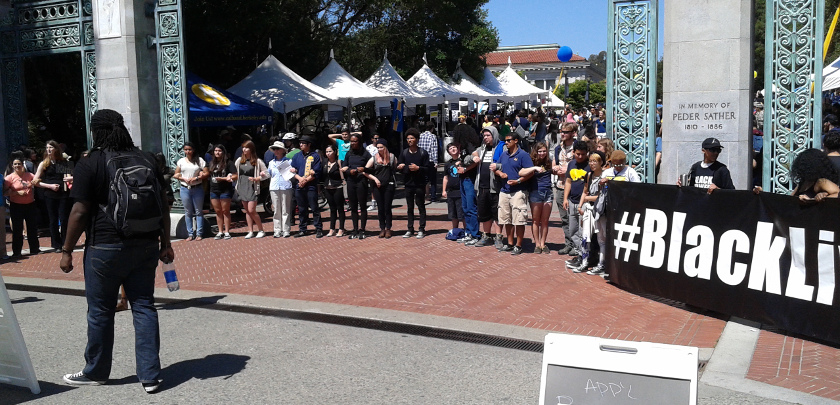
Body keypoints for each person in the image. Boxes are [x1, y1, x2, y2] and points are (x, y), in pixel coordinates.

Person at [59, 108, 173, 393]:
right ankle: (150, 376)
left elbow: (79, 211)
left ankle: (96, 371)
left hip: (105, 247)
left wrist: (66, 250)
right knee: (144, 306)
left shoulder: (92, 162)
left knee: (100, 310)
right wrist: (166, 243)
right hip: (146, 244)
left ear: (97, 131)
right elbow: (163, 204)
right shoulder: (147, 158)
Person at [494, 133, 533, 255]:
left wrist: (518, 181)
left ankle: (519, 245)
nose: (506, 143)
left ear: (516, 140)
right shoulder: (504, 155)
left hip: (518, 191)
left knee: (519, 219)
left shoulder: (523, 155)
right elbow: (497, 168)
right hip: (504, 191)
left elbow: (530, 172)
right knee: (506, 219)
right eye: (505, 140)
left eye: (509, 140)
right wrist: (500, 174)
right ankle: (510, 243)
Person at [32, 140, 73, 252]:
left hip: (63, 193)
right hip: (50, 194)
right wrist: (49, 186)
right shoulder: (44, 163)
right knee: (53, 219)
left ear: (56, 149)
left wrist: (70, 178)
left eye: (51, 147)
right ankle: (56, 244)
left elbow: (69, 177)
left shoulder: (62, 162)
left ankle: (66, 242)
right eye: (47, 148)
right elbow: (35, 181)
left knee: (64, 219)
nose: (49, 150)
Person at [469, 127, 504, 248]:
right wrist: (473, 158)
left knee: (497, 214)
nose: (485, 138)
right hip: (482, 187)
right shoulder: (480, 149)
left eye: (488, 135)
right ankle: (486, 236)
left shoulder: (501, 148)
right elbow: (467, 158)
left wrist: (498, 166)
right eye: (484, 136)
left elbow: (507, 163)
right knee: (484, 213)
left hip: (495, 187)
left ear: (494, 135)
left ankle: (498, 237)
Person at [519, 142, 553, 254]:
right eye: (540, 151)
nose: (542, 153)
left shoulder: (549, 161)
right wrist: (534, 168)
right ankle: (537, 244)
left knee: (545, 220)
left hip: (548, 192)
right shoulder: (531, 161)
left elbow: (556, 169)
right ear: (536, 152)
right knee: (535, 219)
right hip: (535, 191)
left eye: (544, 151)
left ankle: (543, 243)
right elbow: (521, 172)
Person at [577, 151, 608, 275]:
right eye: (590, 161)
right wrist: (580, 205)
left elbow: (602, 197)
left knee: (601, 238)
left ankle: (602, 264)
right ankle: (584, 262)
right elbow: (585, 191)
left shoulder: (605, 176)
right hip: (588, 209)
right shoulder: (589, 175)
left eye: (595, 161)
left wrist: (588, 199)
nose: (592, 163)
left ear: (601, 162)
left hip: (600, 210)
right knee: (585, 236)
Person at [562, 141, 591, 268]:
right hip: (572, 201)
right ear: (573, 152)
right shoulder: (571, 164)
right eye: (578, 154)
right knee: (573, 230)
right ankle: (579, 254)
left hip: (584, 203)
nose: (580, 157)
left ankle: (584, 256)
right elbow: (568, 181)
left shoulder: (590, 165)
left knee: (583, 231)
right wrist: (565, 198)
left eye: (583, 154)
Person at [398, 129, 430, 238]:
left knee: (421, 206)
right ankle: (410, 228)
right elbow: (400, 167)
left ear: (417, 139)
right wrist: (401, 167)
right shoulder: (404, 152)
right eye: (408, 139)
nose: (410, 140)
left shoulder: (423, 153)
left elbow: (427, 169)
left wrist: (418, 168)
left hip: (420, 184)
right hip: (408, 184)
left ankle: (421, 228)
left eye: (412, 138)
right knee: (409, 207)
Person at [172, 142, 208, 241]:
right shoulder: (181, 161)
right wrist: (183, 179)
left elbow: (206, 173)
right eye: (186, 150)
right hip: (185, 188)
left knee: (198, 211)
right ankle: (190, 233)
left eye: (190, 149)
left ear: (193, 150)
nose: (188, 151)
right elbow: (176, 174)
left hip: (197, 188)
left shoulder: (199, 160)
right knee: (188, 212)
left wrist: (196, 178)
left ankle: (199, 233)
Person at [4, 157, 39, 257]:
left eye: (19, 163)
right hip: (16, 206)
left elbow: (37, 180)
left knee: (32, 227)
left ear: (22, 165)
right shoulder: (9, 178)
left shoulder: (28, 175)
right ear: (12, 166)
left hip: (30, 204)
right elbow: (4, 192)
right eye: (15, 164)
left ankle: (34, 248)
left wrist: (37, 182)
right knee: (17, 229)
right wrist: (16, 193)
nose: (17, 166)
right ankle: (17, 251)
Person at [289, 135, 322, 238]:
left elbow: (316, 172)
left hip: (311, 186)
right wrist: (300, 179)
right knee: (302, 209)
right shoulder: (296, 156)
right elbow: (292, 170)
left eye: (303, 143)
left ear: (309, 145)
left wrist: (305, 180)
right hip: (299, 186)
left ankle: (318, 228)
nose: (301, 145)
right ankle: (302, 229)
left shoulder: (315, 156)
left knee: (314, 207)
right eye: (300, 143)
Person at [552, 122, 577, 254]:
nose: (562, 134)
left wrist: (566, 170)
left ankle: (577, 245)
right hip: (561, 186)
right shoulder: (558, 148)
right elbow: (554, 164)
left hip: (575, 187)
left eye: (566, 132)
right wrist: (555, 169)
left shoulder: (578, 147)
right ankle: (568, 243)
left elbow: (582, 166)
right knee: (564, 218)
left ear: (573, 133)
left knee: (575, 217)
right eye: (561, 131)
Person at [341, 133, 372, 239]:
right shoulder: (348, 154)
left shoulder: (365, 154)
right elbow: (345, 167)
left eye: (355, 141)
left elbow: (372, 167)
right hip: (351, 181)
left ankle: (362, 229)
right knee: (353, 207)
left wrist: (363, 169)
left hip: (361, 181)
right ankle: (355, 229)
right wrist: (350, 171)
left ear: (360, 142)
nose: (353, 143)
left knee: (362, 206)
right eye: (351, 141)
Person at [234, 140, 267, 238]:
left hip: (252, 187)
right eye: (243, 147)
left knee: (251, 209)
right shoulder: (239, 160)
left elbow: (267, 174)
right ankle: (250, 231)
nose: (244, 149)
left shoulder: (257, 161)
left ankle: (261, 229)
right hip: (242, 186)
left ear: (251, 149)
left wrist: (258, 178)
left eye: (246, 147)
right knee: (247, 211)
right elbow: (235, 172)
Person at [365, 139, 397, 238]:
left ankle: (388, 228)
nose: (379, 149)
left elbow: (395, 169)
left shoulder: (392, 157)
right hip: (377, 186)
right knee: (380, 208)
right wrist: (375, 179)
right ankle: (382, 228)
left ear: (385, 147)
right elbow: (365, 171)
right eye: (378, 147)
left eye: (381, 147)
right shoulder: (374, 158)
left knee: (387, 207)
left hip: (389, 185)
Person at [262, 141, 294, 238]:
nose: (275, 151)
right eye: (274, 149)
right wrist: (264, 175)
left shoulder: (289, 161)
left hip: (285, 186)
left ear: (282, 150)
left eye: (277, 149)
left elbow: (292, 175)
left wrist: (293, 171)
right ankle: (277, 230)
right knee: (276, 209)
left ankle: (286, 229)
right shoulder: (271, 163)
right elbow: (269, 174)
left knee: (285, 209)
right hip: (274, 187)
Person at [207, 144, 236, 240]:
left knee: (225, 211)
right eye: (215, 151)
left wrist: (226, 178)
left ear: (223, 152)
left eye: (219, 151)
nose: (217, 153)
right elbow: (206, 173)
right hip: (214, 189)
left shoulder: (229, 163)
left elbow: (235, 175)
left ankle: (227, 231)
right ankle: (220, 231)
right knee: (218, 211)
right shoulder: (211, 163)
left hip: (225, 189)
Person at [322, 144, 346, 237]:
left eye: (330, 151)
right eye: (327, 151)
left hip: (337, 187)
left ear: (335, 152)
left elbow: (343, 173)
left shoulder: (339, 162)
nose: (328, 153)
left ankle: (341, 228)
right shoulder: (324, 162)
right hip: (327, 188)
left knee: (340, 208)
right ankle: (332, 228)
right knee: (332, 209)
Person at [442, 143, 465, 234]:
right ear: (449, 152)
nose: (453, 149)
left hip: (461, 190)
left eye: (454, 147)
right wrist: (444, 190)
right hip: (451, 192)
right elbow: (445, 177)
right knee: (453, 213)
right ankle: (455, 230)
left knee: (462, 213)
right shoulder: (448, 164)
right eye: (450, 148)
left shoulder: (463, 161)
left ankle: (466, 231)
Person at [418, 123, 439, 202]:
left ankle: (423, 195)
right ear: (432, 128)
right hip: (430, 160)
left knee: (423, 179)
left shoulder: (420, 136)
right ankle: (433, 196)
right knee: (433, 180)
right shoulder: (432, 136)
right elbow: (434, 149)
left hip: (422, 160)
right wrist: (436, 162)